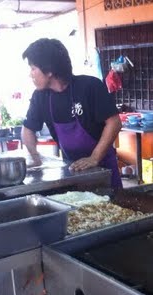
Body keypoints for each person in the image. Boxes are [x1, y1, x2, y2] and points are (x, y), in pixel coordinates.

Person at [21, 38, 123, 188]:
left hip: (104, 168)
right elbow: (28, 129)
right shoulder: (40, 96)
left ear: (49, 70)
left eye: (33, 68)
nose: (31, 75)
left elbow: (114, 122)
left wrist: (94, 157)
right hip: (72, 170)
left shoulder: (89, 86)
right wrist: (35, 157)